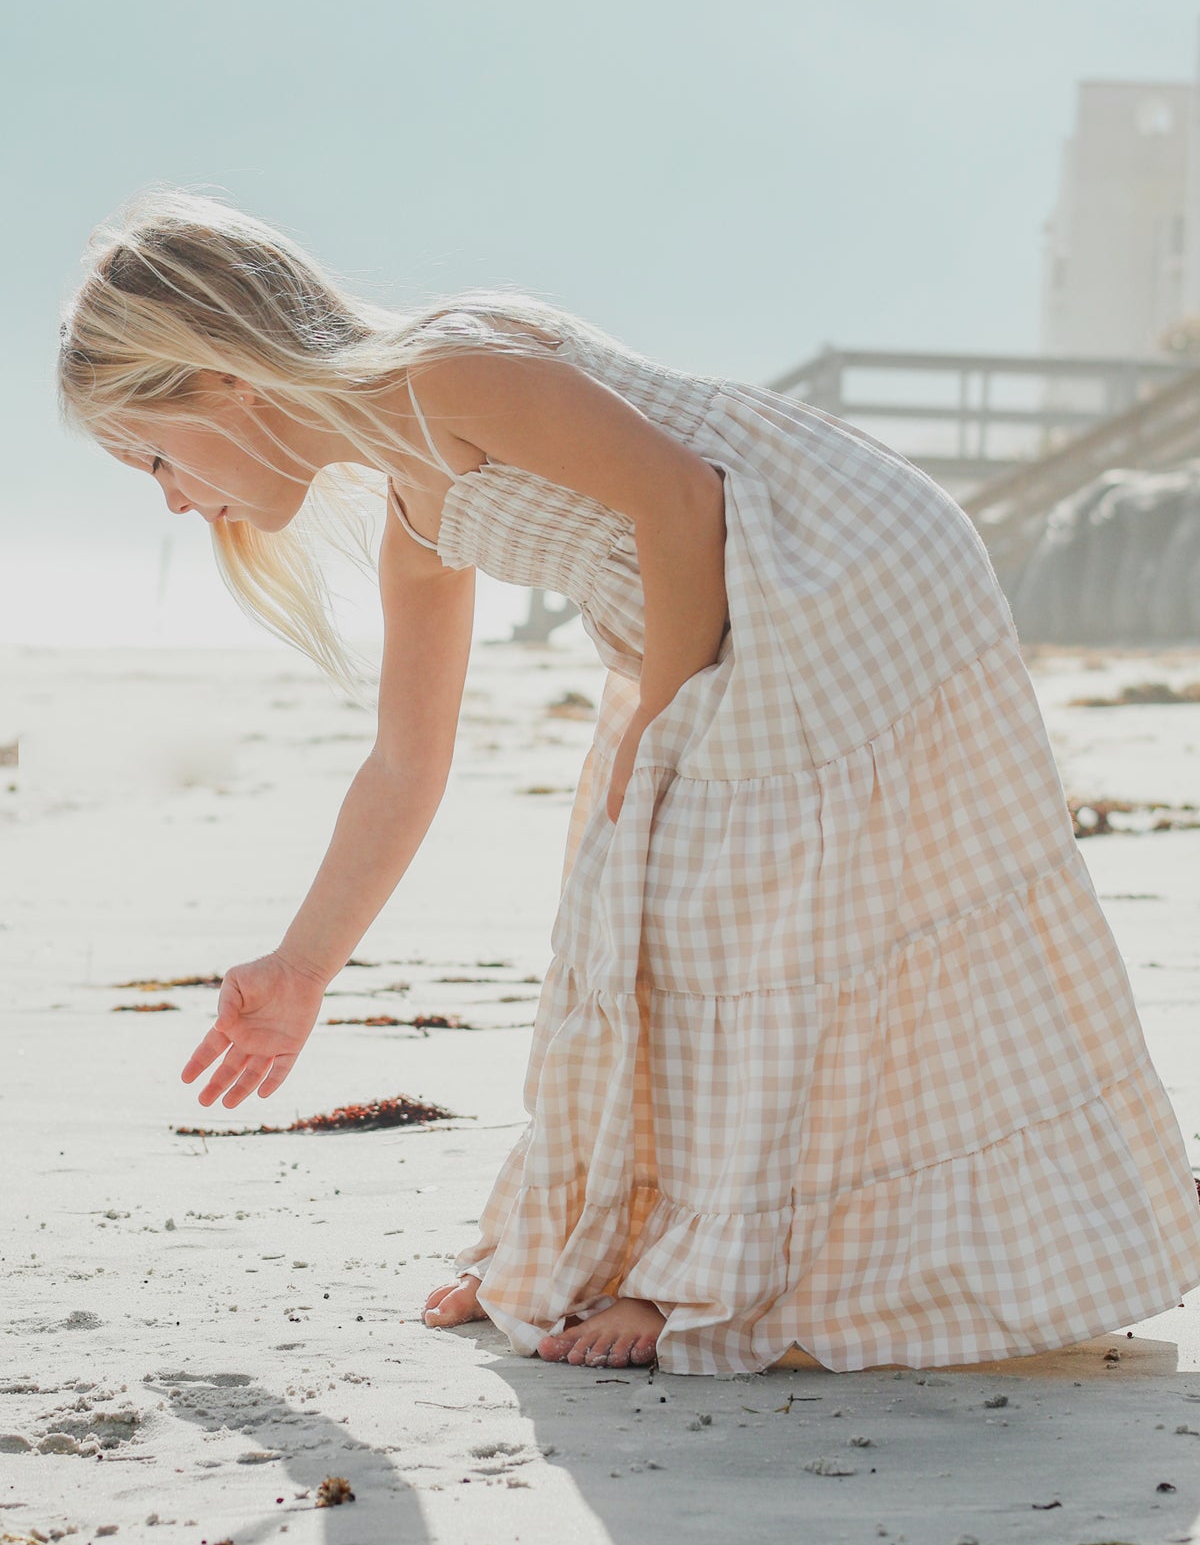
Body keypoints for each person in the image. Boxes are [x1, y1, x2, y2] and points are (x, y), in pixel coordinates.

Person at [58, 190, 1200, 1378]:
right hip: (723, 611)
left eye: (150, 453)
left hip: (832, 567)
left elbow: (685, 498)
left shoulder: (448, 374)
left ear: (224, 378)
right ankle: (625, 1244)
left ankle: (695, 1274)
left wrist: (660, 717)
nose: (173, 498)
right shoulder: (416, 505)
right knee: (633, 913)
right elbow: (407, 760)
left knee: (724, 925)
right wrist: (302, 969)